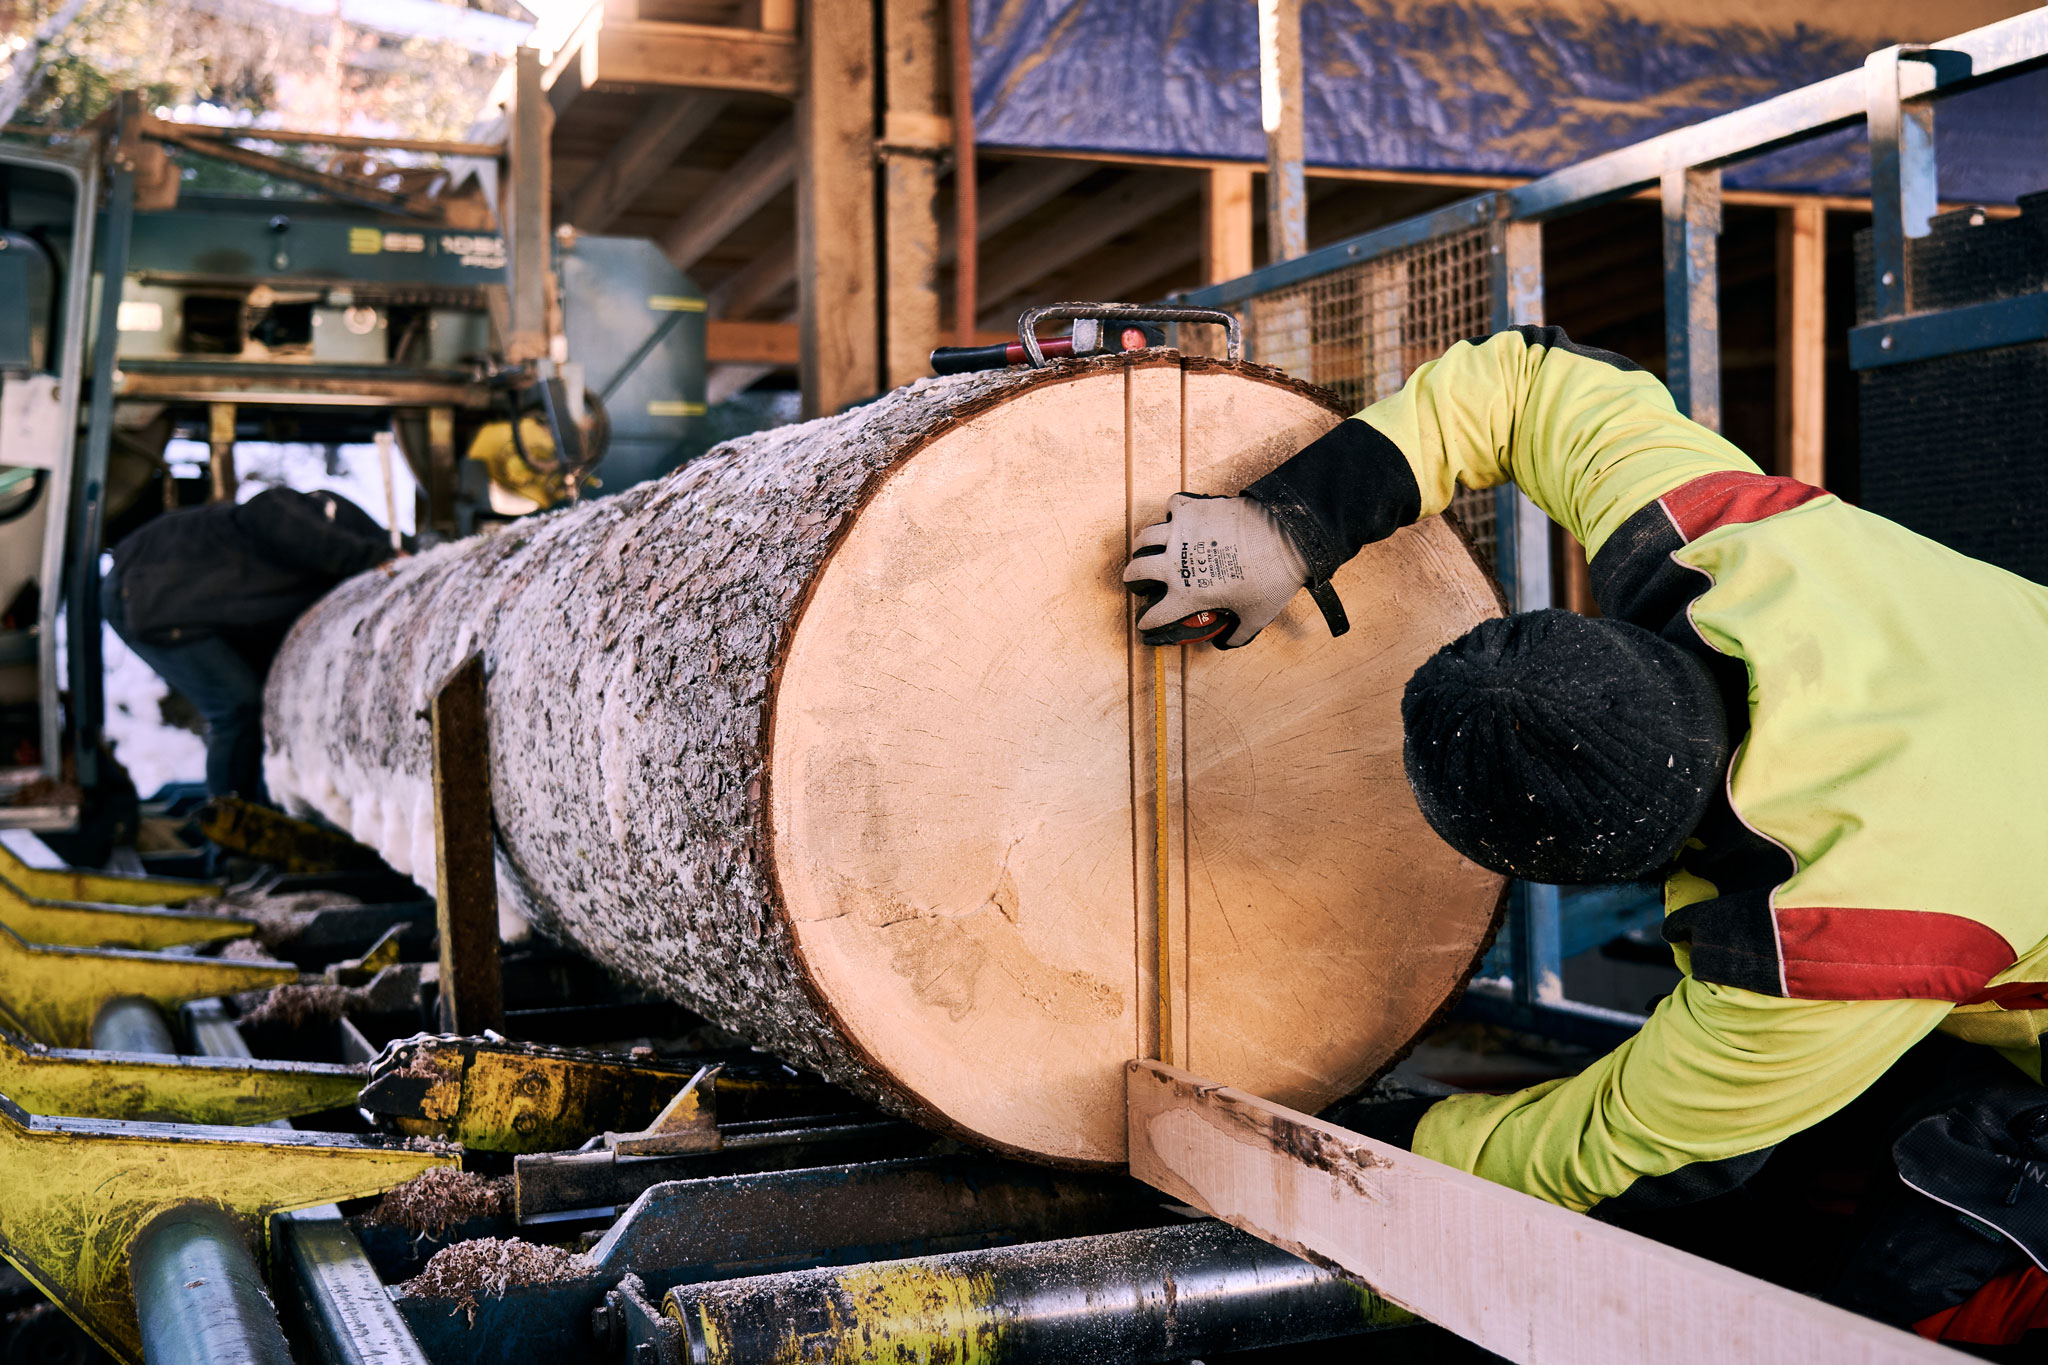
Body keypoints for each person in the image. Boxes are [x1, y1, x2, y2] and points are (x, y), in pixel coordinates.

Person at [1123, 326, 2048, 1352]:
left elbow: (1629, 1152)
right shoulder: (1727, 549)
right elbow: (1525, 382)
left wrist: (1355, 1154)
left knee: (1890, 1318)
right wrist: (1288, 523)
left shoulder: (1835, 935)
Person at [103, 486, 397, 800]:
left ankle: (257, 804)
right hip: (149, 590)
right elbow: (267, 509)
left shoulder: (305, 577)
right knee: (236, 707)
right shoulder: (318, 519)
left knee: (255, 702)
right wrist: (378, 557)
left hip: (163, 590)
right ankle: (234, 830)